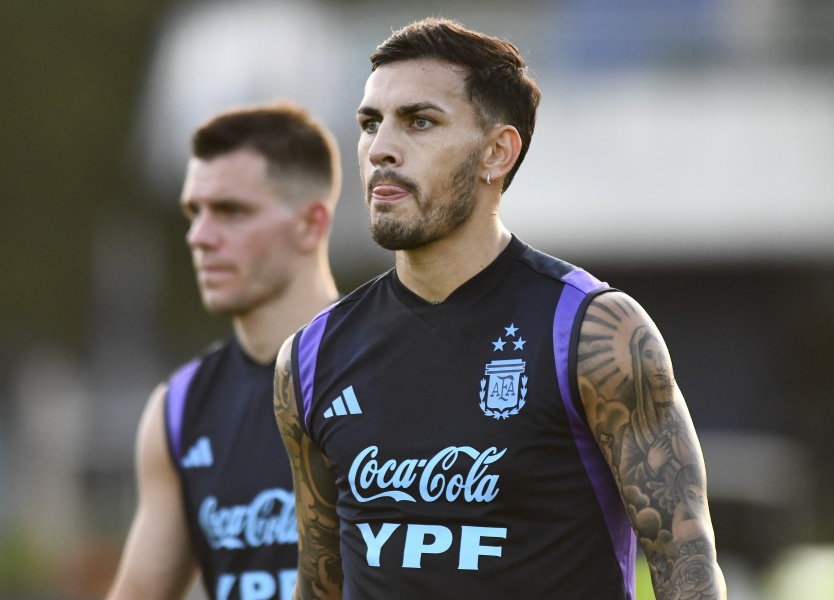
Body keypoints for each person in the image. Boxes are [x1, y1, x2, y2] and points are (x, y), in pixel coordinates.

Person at [273, 17, 727, 599]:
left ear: (497, 152)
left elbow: (688, 570)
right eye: (370, 124)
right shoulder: (311, 358)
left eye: (419, 121)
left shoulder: (596, 334)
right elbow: (320, 584)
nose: (381, 148)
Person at [107, 102, 342, 600]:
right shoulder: (179, 409)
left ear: (311, 223)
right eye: (195, 212)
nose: (199, 237)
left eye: (231, 211)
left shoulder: (391, 371)